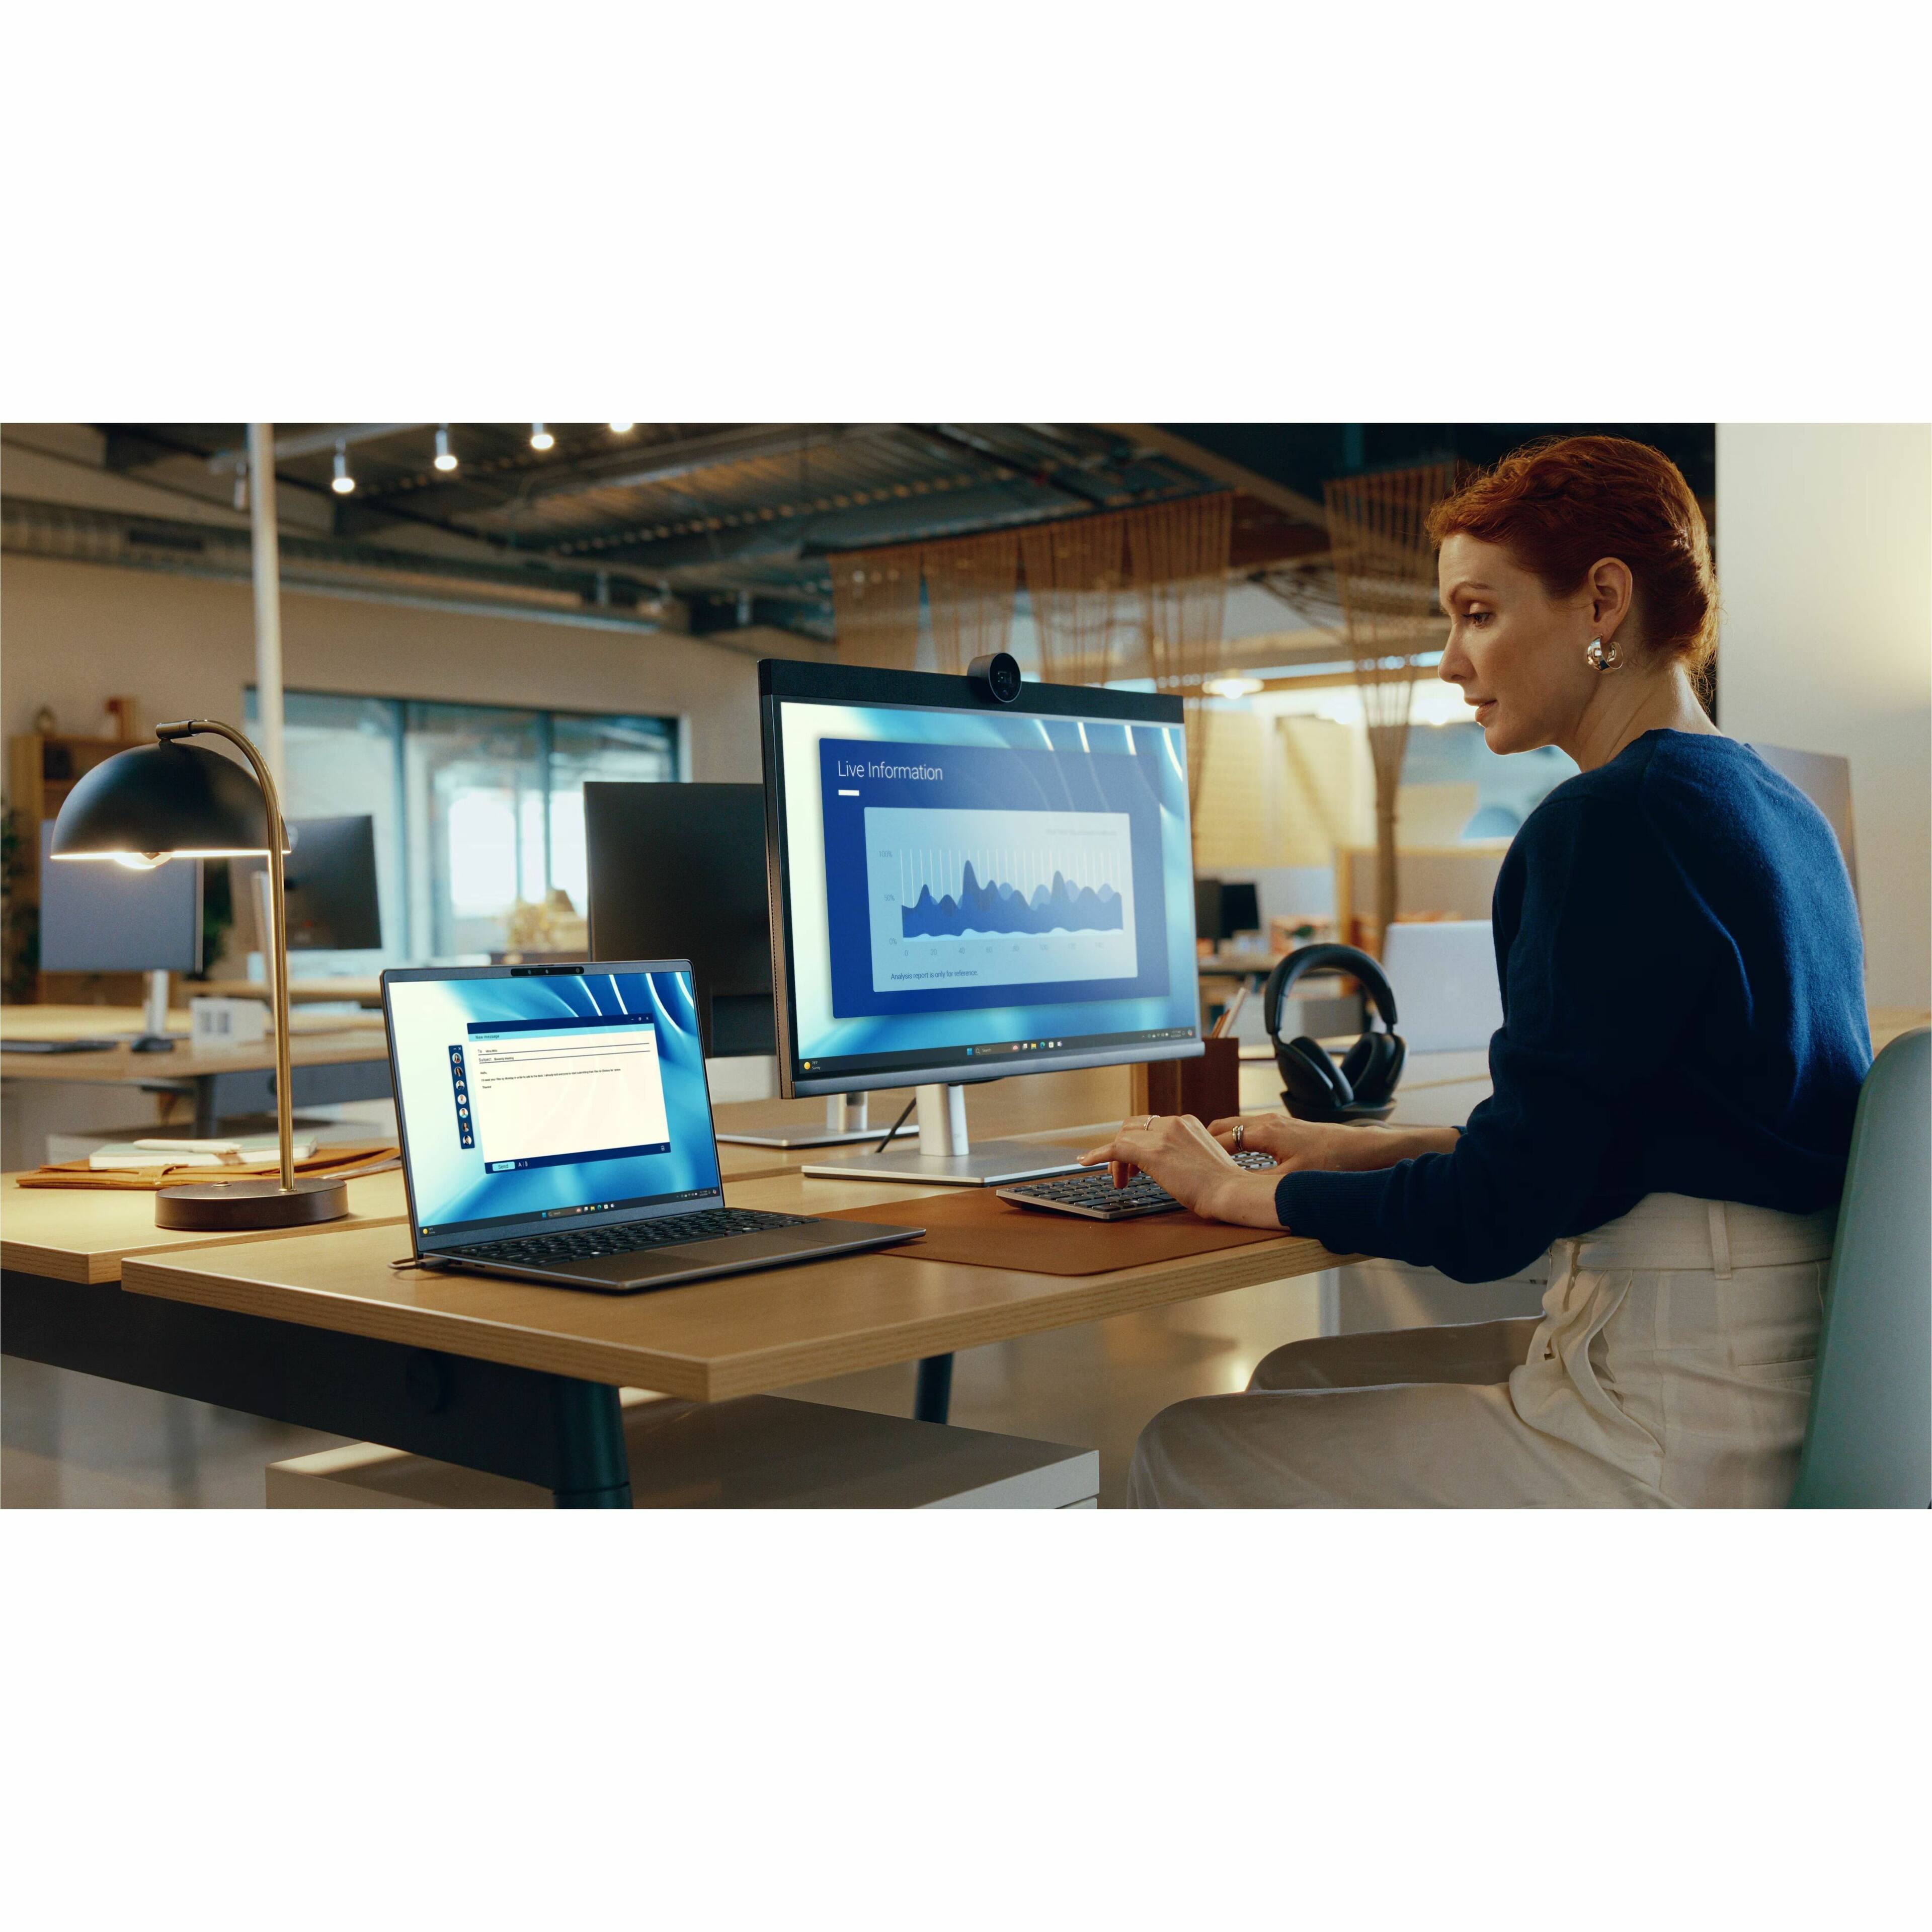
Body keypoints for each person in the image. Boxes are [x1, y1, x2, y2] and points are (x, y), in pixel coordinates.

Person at [1084, 435, 1871, 1507]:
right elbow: (1635, 1138)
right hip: (1783, 1376)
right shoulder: (1784, 810)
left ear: (1602, 603)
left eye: (1478, 613)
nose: (1452, 661)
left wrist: (1234, 1190)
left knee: (1184, 1446)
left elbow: (1498, 1219)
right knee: (1297, 1377)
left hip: (1665, 1415)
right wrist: (1363, 1148)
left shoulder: (1608, 822)